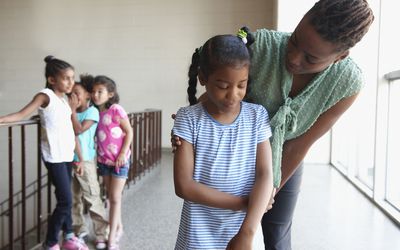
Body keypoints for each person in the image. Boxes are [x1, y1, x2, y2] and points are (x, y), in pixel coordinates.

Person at [172, 0, 375, 249]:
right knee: (215, 224)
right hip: (232, 153)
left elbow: (300, 144)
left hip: (284, 156)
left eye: (310, 58)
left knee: (276, 231)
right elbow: (221, 88)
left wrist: (267, 194)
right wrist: (190, 128)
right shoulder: (262, 46)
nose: (293, 58)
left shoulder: (347, 84)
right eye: (295, 40)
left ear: (340, 57)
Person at [172, 27, 274, 249]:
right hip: (198, 233)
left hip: (244, 226)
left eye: (241, 85)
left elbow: (265, 173)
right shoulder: (189, 118)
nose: (233, 95)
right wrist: (243, 203)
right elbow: (184, 186)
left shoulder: (256, 116)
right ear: (203, 78)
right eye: (223, 86)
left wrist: (247, 231)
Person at [0, 56, 89, 250]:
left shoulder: (65, 101)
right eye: (66, 78)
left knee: (64, 198)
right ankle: (50, 243)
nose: (70, 83)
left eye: (72, 78)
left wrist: (80, 158)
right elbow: (21, 114)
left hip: (67, 155)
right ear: (52, 79)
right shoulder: (45, 95)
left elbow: (70, 132)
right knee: (66, 200)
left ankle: (69, 236)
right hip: (54, 157)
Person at [91, 75, 133, 250]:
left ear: (110, 94)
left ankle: (112, 237)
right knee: (111, 197)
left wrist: (123, 153)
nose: (95, 94)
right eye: (93, 91)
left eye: (100, 91)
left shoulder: (116, 109)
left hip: (119, 161)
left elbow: (129, 132)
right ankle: (118, 226)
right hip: (104, 161)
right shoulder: (95, 112)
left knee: (115, 198)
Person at [69, 74, 109, 250]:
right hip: (70, 160)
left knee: (92, 196)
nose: (73, 97)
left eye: (77, 93)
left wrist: (71, 111)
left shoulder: (91, 111)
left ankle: (101, 234)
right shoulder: (72, 113)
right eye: (71, 94)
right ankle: (80, 229)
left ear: (87, 95)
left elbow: (78, 130)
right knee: (74, 198)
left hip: (85, 161)